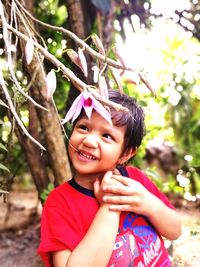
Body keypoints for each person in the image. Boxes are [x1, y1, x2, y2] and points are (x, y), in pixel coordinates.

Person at [37, 89, 182, 267]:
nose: (89, 141)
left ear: (127, 153)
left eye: (107, 136)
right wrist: (110, 206)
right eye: (83, 127)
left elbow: (175, 231)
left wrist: (149, 204)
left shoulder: (135, 181)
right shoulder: (60, 203)